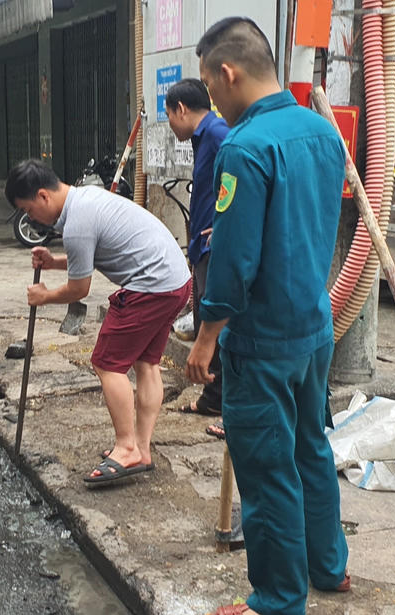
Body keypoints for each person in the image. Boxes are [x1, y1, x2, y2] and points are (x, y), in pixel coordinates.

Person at [184, 17, 349, 615]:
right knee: (312, 448)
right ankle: (328, 566)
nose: (211, 97)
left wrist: (207, 336)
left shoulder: (243, 147)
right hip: (313, 326)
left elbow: (234, 260)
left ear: (228, 74)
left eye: (209, 83)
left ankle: (278, 600)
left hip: (262, 337)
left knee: (265, 465)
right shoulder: (320, 132)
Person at [6, 160, 191, 487]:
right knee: (146, 363)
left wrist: (44, 296)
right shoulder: (85, 200)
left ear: (43, 196)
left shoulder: (76, 222)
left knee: (108, 363)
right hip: (175, 281)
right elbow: (88, 255)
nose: (31, 218)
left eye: (29, 210)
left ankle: (126, 447)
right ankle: (142, 450)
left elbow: (80, 289)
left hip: (150, 286)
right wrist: (53, 264)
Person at [165, 77, 230, 426]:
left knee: (218, 325)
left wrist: (225, 225)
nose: (171, 124)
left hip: (217, 246)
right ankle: (213, 399)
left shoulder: (219, 135)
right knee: (205, 315)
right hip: (203, 247)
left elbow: (243, 183)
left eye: (170, 116)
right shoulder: (203, 138)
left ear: (182, 109)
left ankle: (227, 406)